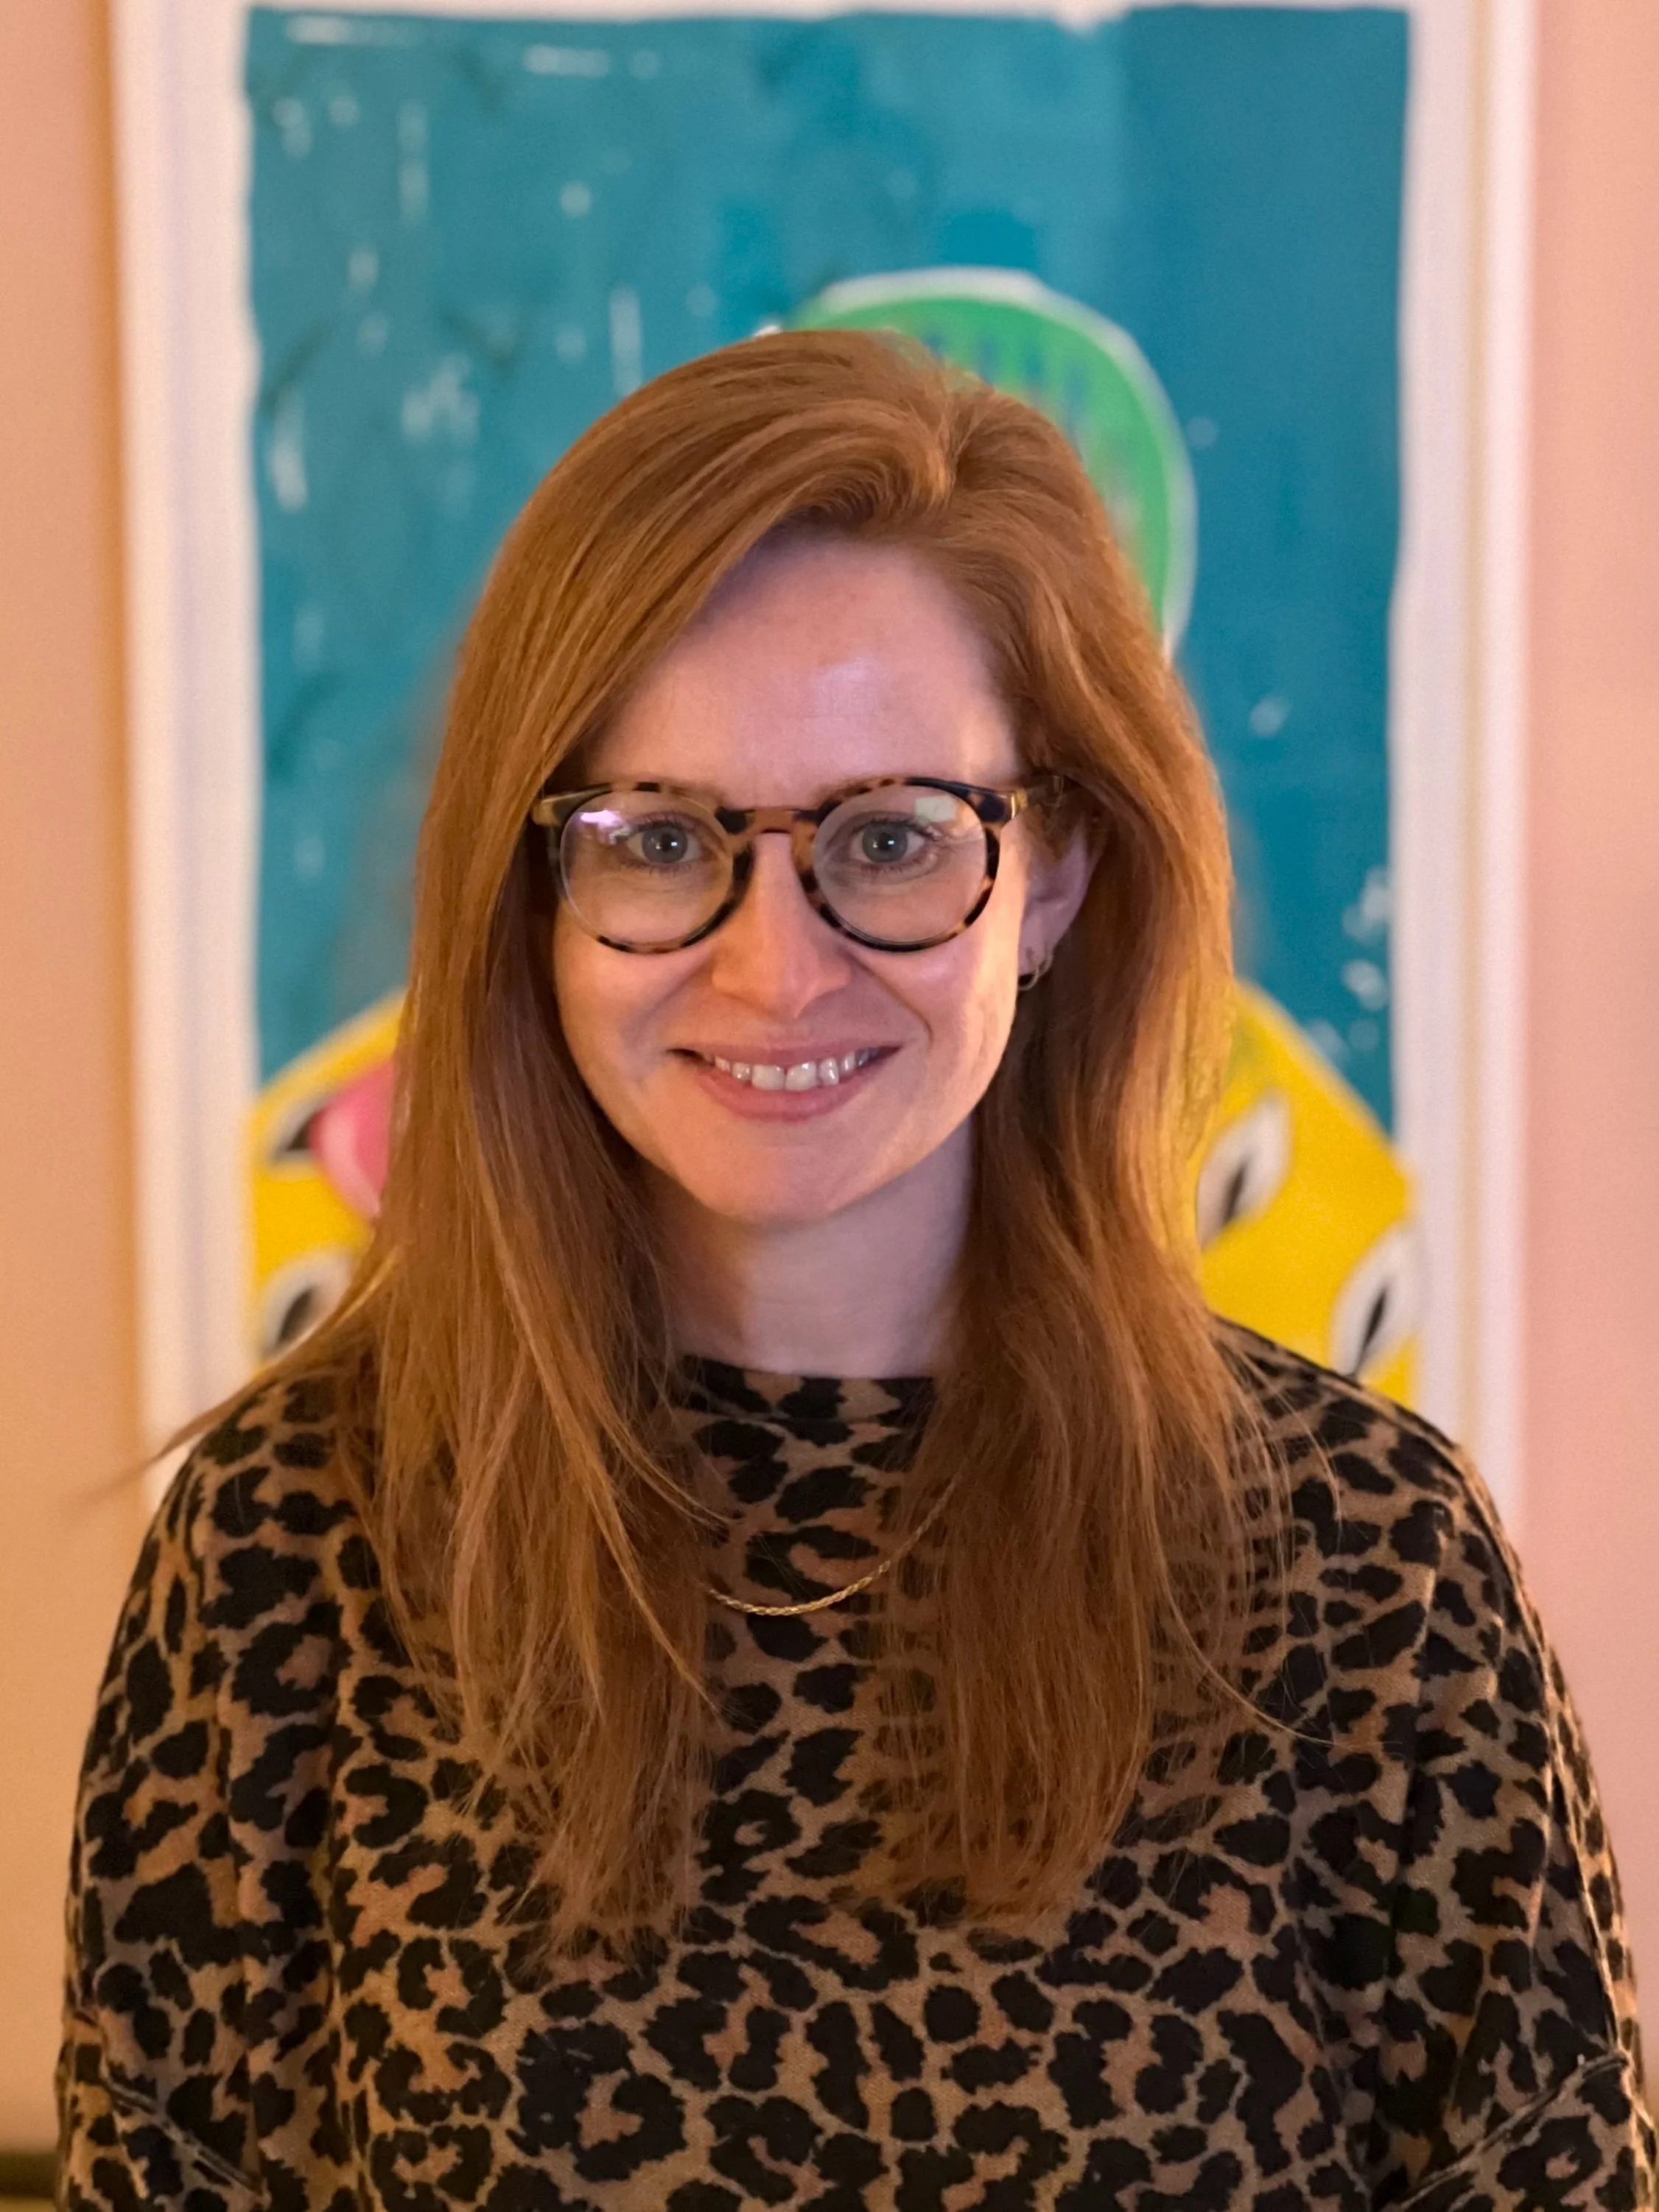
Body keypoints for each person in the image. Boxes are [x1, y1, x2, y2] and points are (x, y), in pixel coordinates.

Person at [59, 332, 1651, 2212]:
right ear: (533, 895)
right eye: (657, 841)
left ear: (1052, 872)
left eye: (891, 838)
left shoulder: (1364, 1559)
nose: (773, 965)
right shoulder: (290, 1544)